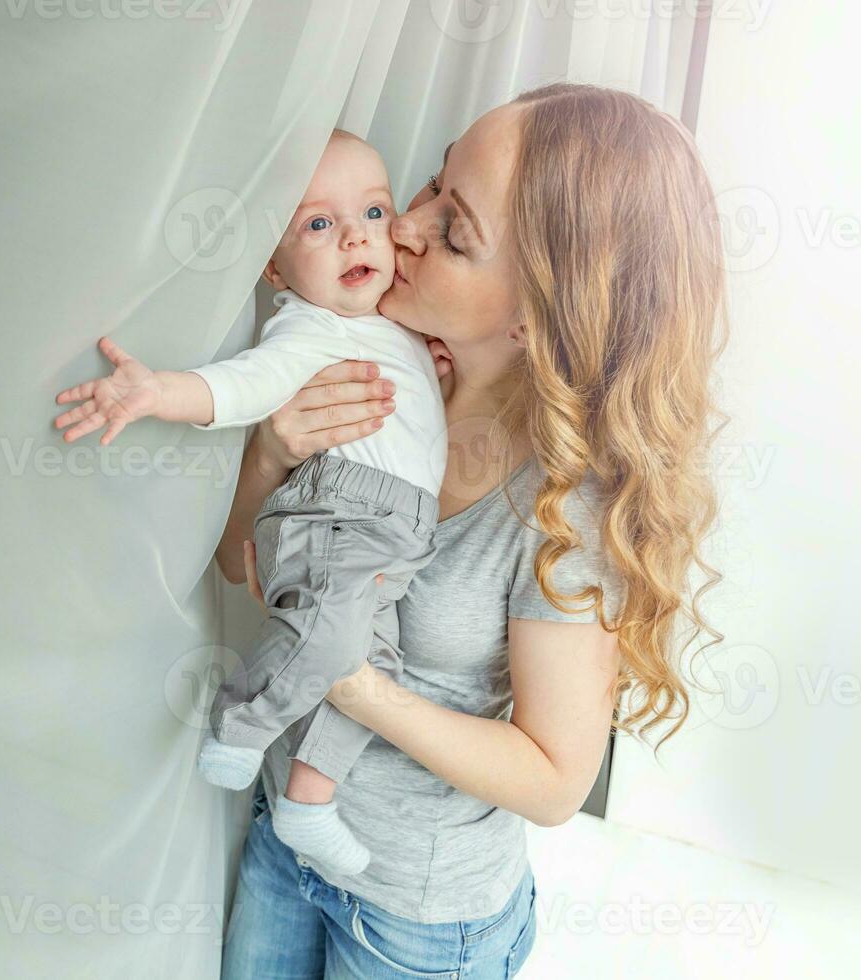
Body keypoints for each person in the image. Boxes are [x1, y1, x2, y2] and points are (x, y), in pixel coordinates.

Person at [215, 83, 727, 979]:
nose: (401, 229)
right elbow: (233, 569)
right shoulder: (367, 370)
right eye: (428, 187)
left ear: (540, 312)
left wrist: (350, 682)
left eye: (454, 232)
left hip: (417, 920)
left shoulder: (565, 509)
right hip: (281, 841)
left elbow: (555, 778)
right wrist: (267, 456)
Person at [53, 130, 450, 875]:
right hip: (345, 518)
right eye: (319, 225)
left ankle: (308, 798)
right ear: (277, 267)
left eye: (372, 212)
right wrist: (155, 393)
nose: (354, 237)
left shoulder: (393, 326)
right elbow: (240, 386)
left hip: (399, 539)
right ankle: (241, 723)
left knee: (379, 676)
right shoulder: (309, 331)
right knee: (330, 643)